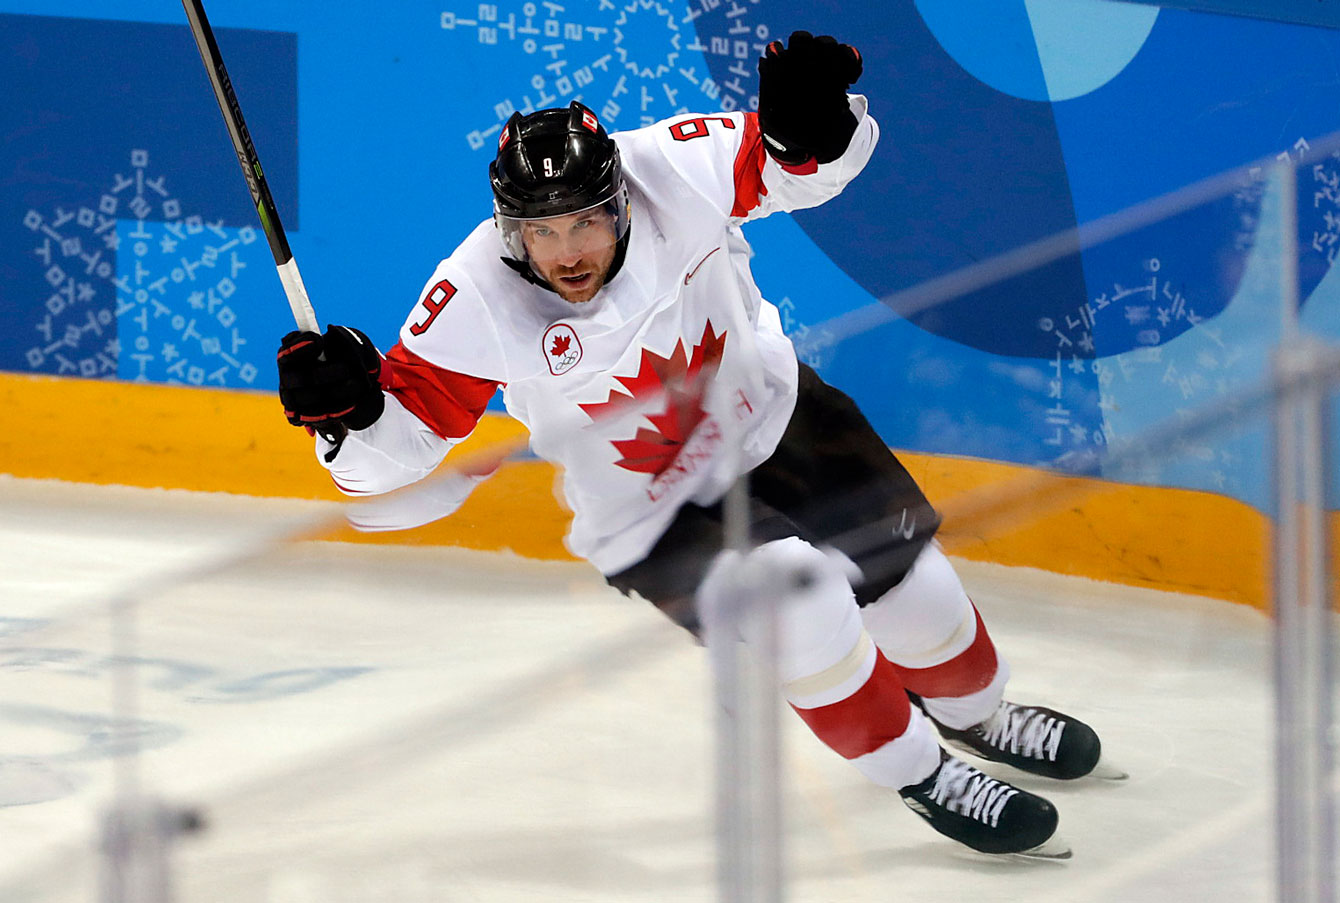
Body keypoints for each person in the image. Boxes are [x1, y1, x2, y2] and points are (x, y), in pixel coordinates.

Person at [275, 31, 1113, 858]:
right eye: (542, 232)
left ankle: (981, 717)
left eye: (585, 223)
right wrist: (346, 418)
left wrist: (818, 131)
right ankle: (926, 777)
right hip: (649, 507)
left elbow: (797, 172)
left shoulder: (671, 164)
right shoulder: (472, 298)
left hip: (778, 417)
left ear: (620, 200)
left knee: (919, 596)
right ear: (510, 230)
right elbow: (397, 457)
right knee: (806, 607)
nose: (567, 252)